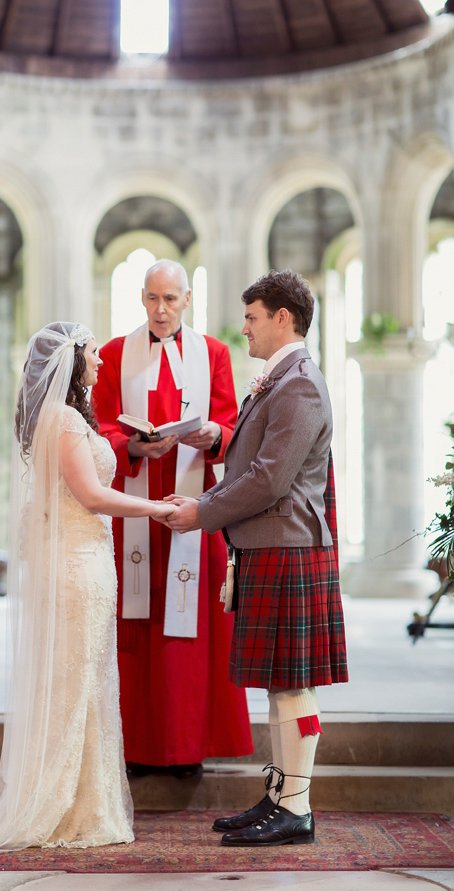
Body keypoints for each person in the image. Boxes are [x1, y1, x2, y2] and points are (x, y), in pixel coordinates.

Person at [0, 322, 175, 852]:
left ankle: (83, 802)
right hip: (77, 564)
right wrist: (157, 509)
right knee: (73, 684)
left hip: (86, 559)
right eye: (92, 355)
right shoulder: (65, 419)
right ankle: (57, 805)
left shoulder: (66, 417)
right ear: (71, 363)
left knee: (88, 681)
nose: (99, 363)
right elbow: (91, 497)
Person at [164, 269, 346, 848]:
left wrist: (202, 510)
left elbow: (271, 478)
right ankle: (280, 795)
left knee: (292, 683)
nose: (244, 329)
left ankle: (296, 805)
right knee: (277, 681)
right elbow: (259, 451)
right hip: (270, 545)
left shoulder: (300, 383)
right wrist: (217, 439)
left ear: (282, 318)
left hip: (288, 544)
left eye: (251, 318)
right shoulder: (281, 379)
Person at [93, 260, 252, 776]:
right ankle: (138, 745)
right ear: (141, 298)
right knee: (137, 624)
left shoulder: (215, 354)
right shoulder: (116, 354)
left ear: (187, 300)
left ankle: (187, 746)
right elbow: (99, 430)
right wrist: (134, 445)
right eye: (152, 299)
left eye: (171, 300)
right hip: (134, 509)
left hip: (192, 506)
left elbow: (232, 427)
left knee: (189, 629)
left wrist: (213, 437)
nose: (161, 310)